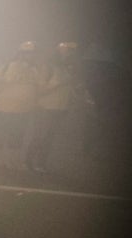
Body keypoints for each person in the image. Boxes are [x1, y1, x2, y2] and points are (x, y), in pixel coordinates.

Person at [26, 42, 80, 172]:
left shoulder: (69, 69)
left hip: (61, 108)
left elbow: (70, 89)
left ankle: (41, 163)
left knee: (50, 137)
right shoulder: (48, 67)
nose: (70, 54)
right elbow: (40, 89)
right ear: (59, 52)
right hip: (46, 107)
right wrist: (58, 83)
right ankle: (29, 162)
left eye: (71, 51)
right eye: (67, 51)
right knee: (40, 136)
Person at [0, 41, 42, 170]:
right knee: (1, 133)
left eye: (31, 53)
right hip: (4, 107)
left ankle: (12, 161)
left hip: (23, 109)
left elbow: (37, 87)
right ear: (19, 53)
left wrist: (34, 103)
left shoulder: (35, 69)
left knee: (17, 135)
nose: (28, 56)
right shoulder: (7, 66)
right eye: (25, 53)